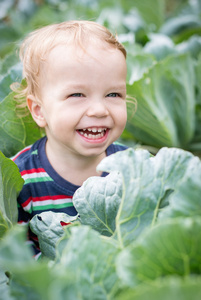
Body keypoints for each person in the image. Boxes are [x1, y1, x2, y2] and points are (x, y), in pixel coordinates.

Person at [12, 20, 128, 256]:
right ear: (39, 111)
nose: (99, 110)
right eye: (77, 94)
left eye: (113, 94)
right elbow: (18, 256)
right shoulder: (20, 179)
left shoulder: (132, 169)